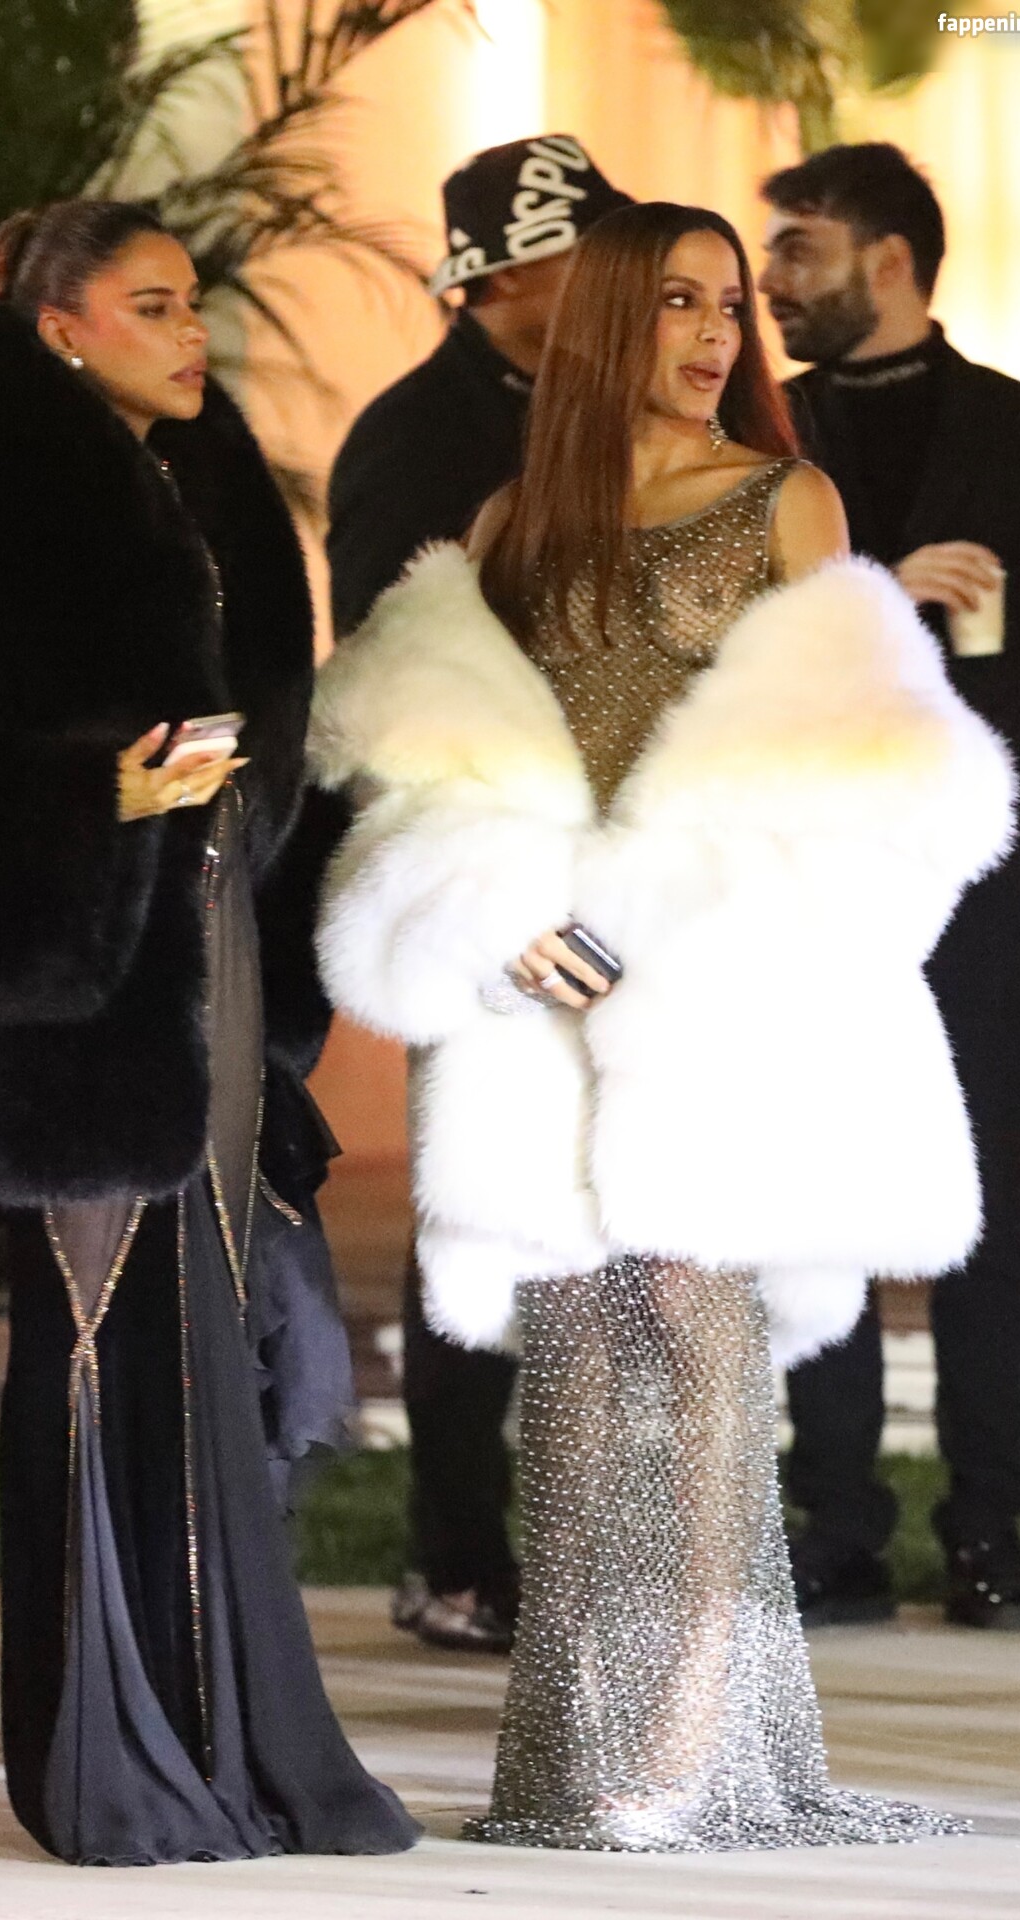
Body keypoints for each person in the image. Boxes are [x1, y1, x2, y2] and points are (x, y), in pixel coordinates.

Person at [312, 199, 1008, 1851]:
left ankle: (686, 1719)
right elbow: (443, 761)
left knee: (697, 1327)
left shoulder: (785, 498)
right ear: (604, 320)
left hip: (715, 979)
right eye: (678, 302)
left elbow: (856, 766)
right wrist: (492, 909)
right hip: (549, 990)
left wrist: (690, 919)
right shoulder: (510, 522)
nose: (712, 335)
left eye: (726, 306)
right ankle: (579, 1725)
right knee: (575, 1350)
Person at [0, 200, 418, 1868]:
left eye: (191, 302)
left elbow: (275, 742)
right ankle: (113, 1768)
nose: (191, 331)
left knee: (201, 1342)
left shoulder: (207, 488)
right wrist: (93, 796)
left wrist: (266, 844)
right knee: (92, 1351)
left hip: (209, 964)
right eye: (152, 306)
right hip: (69, 1005)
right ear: (58, 329)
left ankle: (237, 1746)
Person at [759, 143, 1020, 1632]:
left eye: (797, 248)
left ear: (890, 259)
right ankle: (836, 1524)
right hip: (800, 870)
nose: (769, 281)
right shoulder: (753, 439)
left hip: (973, 875)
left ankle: (990, 1528)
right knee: (820, 1196)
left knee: (979, 1205)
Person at [327, 132, 630, 1654]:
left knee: (624, 1194)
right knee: (480, 1208)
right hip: (498, 880)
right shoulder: (412, 437)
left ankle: (603, 1541)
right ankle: (454, 1550)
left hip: (630, 865)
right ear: (502, 278)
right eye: (583, 256)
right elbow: (391, 680)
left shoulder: (627, 413)